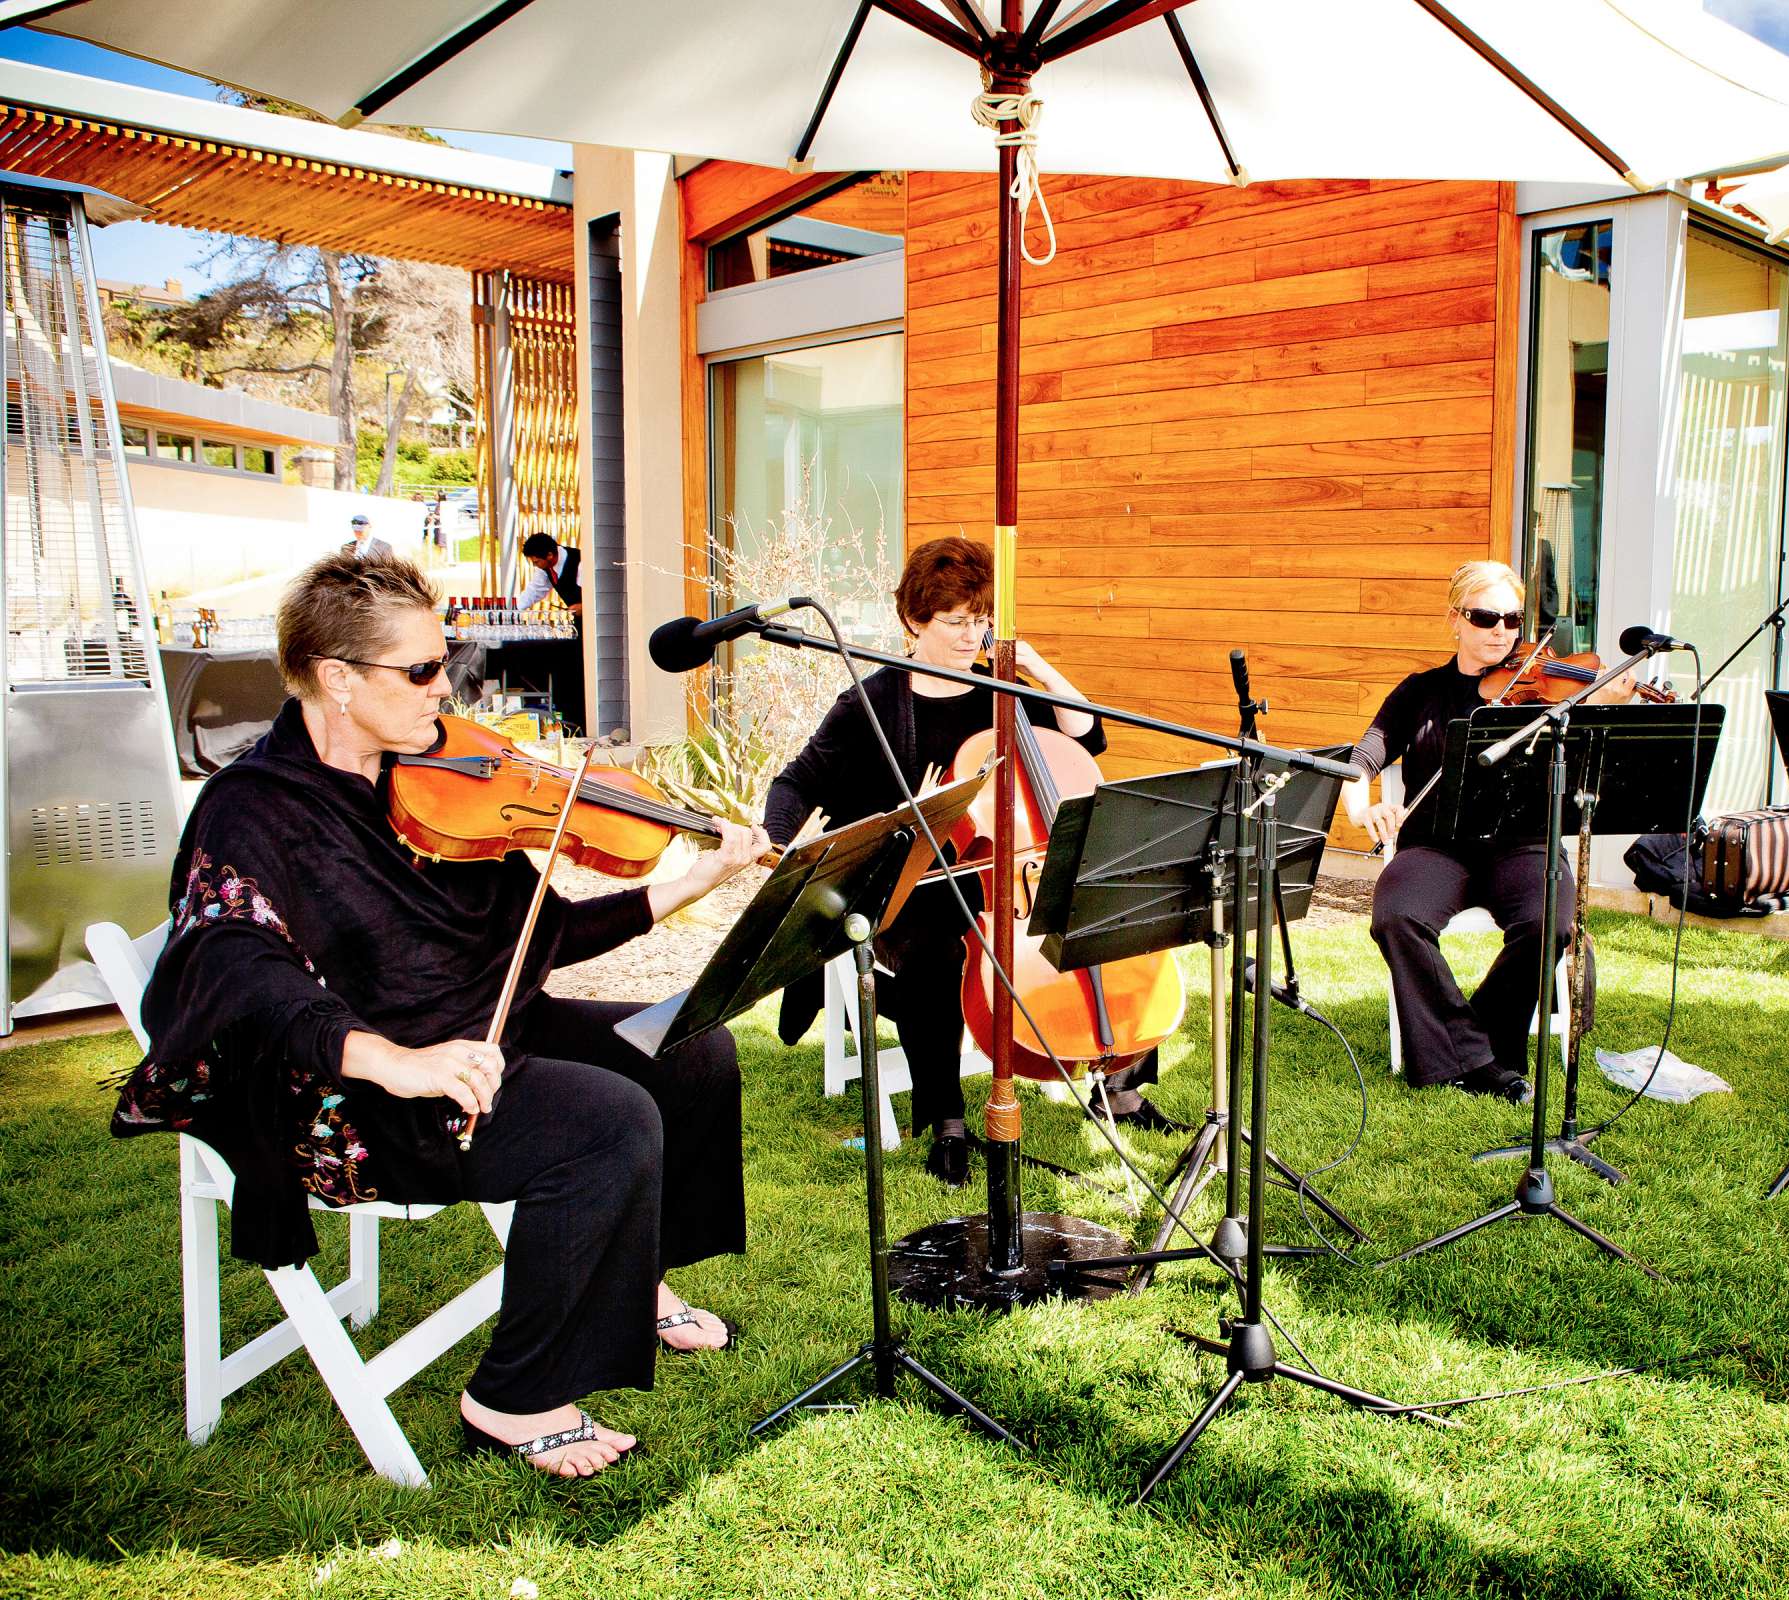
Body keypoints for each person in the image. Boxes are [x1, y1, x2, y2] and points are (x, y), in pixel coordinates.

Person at [111, 552, 773, 1479]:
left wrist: (688, 881)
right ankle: (511, 1398)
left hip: (478, 1039)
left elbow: (543, 937)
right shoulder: (254, 810)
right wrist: (390, 1060)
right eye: (422, 671)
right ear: (337, 680)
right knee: (607, 1124)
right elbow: (234, 966)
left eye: (445, 660)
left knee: (689, 1048)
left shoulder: (429, 778)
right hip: (352, 1098)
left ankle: (633, 1284)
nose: (447, 686)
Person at [761, 536, 1174, 1186]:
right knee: (936, 951)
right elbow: (794, 784)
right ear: (915, 620)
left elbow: (1086, 735)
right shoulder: (874, 701)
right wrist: (782, 845)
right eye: (955, 621)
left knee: (1106, 911)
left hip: (1008, 876)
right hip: (919, 884)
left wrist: (1032, 664)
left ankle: (1120, 1086)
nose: (969, 635)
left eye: (980, 620)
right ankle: (948, 1121)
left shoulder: (1000, 690)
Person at [1343, 560, 1636, 1102]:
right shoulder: (1422, 692)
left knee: (1549, 918)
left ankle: (1470, 1045)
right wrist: (1364, 811)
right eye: (1485, 617)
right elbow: (1360, 761)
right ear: (1455, 618)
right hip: (1436, 846)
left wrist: (1606, 707)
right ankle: (1482, 1059)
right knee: (1397, 917)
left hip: (1523, 843)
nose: (1501, 631)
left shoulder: (1552, 697)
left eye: (1512, 618)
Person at [516, 532, 583, 620]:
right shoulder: (545, 566)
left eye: (536, 562)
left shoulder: (580, 562)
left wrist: (584, 606)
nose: (534, 565)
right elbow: (534, 591)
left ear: (550, 555)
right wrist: (515, 610)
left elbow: (596, 593)